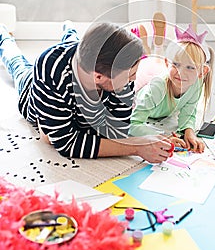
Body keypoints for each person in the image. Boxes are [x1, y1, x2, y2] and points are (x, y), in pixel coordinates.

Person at [0, 21, 173, 162]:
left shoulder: (120, 72)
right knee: (17, 63)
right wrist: (136, 146)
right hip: (32, 88)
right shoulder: (50, 70)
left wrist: (66, 133)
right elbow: (66, 143)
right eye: (130, 75)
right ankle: (4, 36)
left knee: (73, 44)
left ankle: (70, 30)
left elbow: (116, 131)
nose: (134, 79)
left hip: (81, 65)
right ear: (99, 77)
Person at [129, 24, 214, 152]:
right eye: (176, 64)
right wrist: (165, 137)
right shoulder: (157, 88)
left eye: (190, 67)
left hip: (162, 110)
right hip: (140, 99)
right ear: (167, 63)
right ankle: (142, 45)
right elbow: (133, 124)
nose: (181, 72)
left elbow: (189, 113)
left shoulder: (196, 83)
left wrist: (189, 132)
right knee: (143, 65)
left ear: (202, 72)